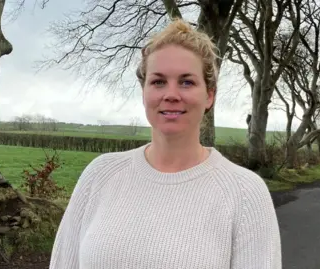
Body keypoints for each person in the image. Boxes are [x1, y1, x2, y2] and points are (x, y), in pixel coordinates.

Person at [49, 18, 281, 269]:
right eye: (158, 81)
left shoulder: (245, 194)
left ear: (209, 95)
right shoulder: (100, 174)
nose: (171, 94)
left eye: (186, 82)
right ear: (144, 92)